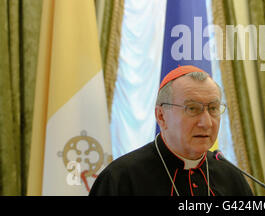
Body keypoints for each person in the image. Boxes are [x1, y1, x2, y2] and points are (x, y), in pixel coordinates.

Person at [89, 65, 254, 196]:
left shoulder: (231, 177)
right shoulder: (120, 179)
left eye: (213, 108)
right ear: (161, 116)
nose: (206, 123)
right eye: (192, 108)